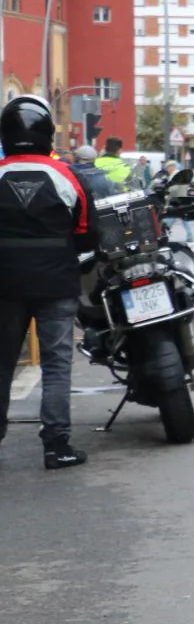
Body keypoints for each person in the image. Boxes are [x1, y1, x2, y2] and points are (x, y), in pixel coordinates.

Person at [0, 95, 91, 470]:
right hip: (56, 284)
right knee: (56, 365)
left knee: (2, 363)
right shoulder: (66, 175)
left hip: (5, 286)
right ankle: (57, 445)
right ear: (46, 133)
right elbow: (84, 229)